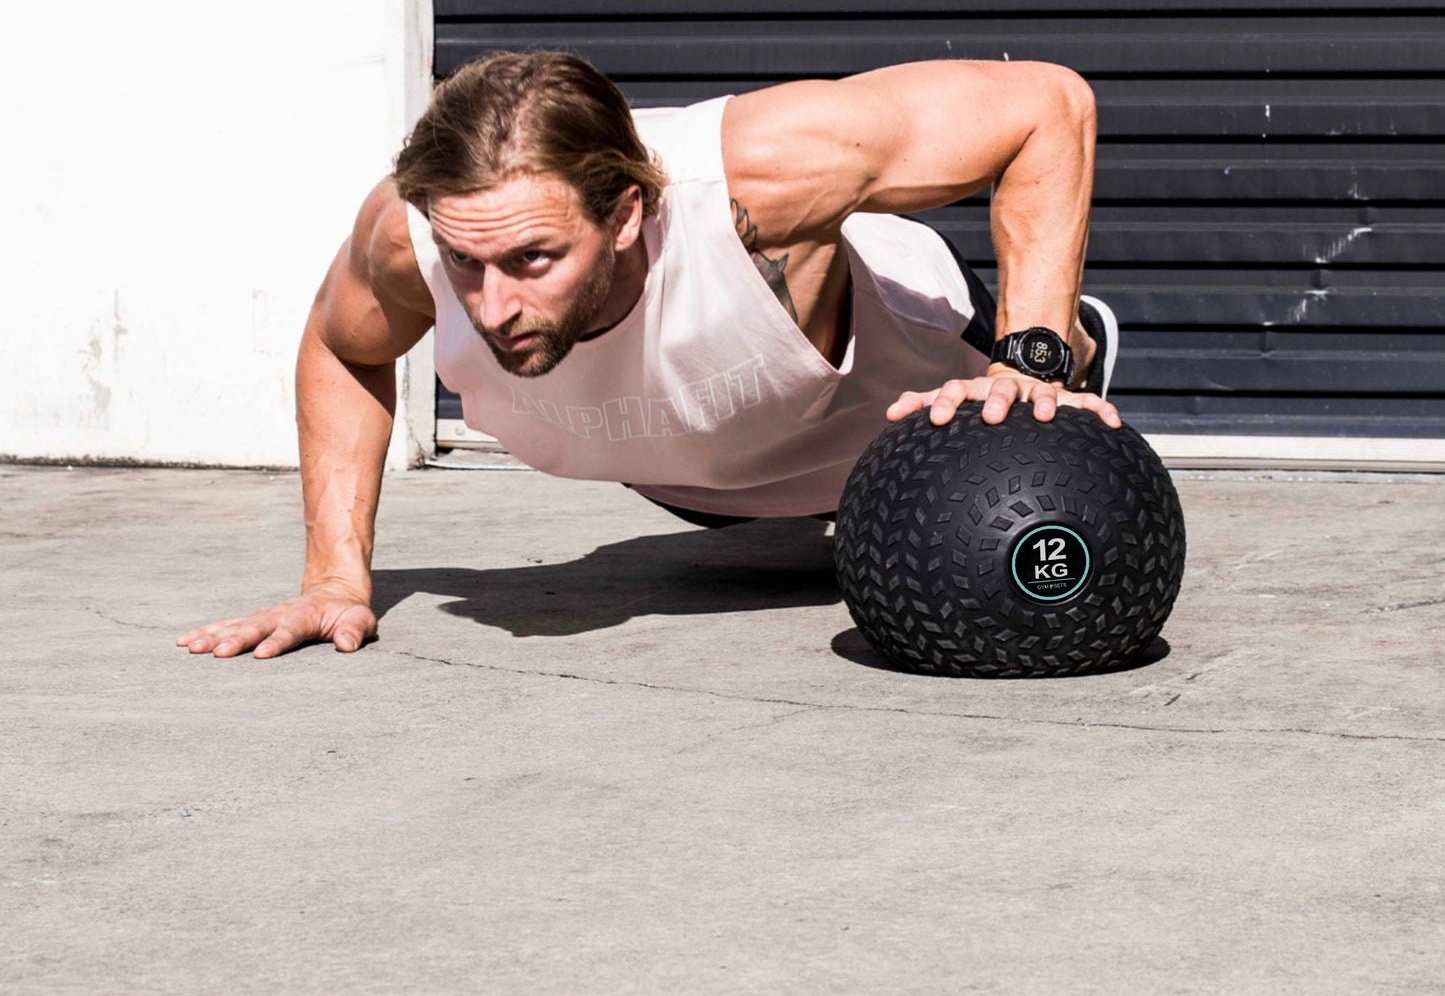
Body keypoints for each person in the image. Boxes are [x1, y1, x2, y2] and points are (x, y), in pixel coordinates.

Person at [178, 51, 1121, 661]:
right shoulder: (410, 238)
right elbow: (342, 350)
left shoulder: (757, 173)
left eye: (532, 258)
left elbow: (1046, 104)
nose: (490, 304)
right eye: (465, 260)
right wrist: (335, 577)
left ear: (625, 214)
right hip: (700, 463)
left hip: (900, 412)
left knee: (985, 339)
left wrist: (1030, 363)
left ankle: (1072, 338)